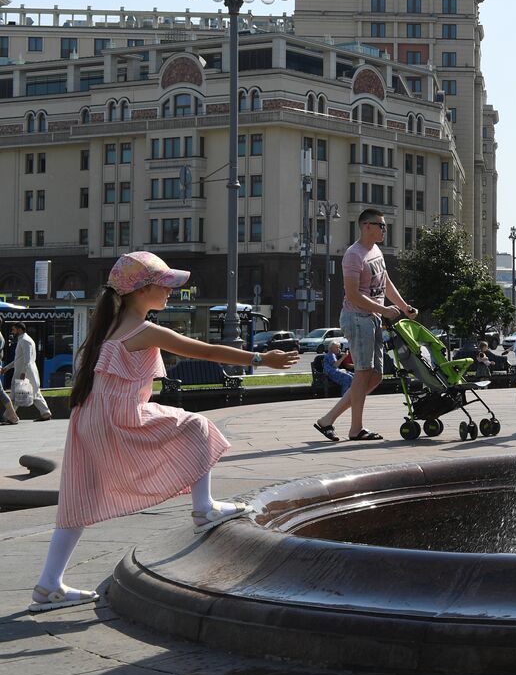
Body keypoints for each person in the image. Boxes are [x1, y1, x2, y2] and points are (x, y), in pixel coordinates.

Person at [29, 251, 297, 613]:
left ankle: (49, 584)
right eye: (165, 285)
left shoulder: (105, 325)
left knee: (79, 499)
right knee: (197, 426)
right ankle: (203, 508)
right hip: (121, 415)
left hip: (89, 417)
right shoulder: (145, 330)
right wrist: (261, 359)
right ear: (141, 290)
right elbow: (204, 351)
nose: (171, 291)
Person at [313, 208, 417, 442]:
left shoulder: (375, 251)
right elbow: (352, 295)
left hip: (373, 319)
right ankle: (355, 429)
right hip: (358, 319)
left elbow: (385, 283)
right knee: (362, 374)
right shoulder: (354, 255)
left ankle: (328, 420)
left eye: (385, 226)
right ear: (366, 226)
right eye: (381, 225)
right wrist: (384, 311)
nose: (384, 230)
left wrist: (403, 307)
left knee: (376, 376)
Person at [2, 321, 53, 421]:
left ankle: (9, 417)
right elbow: (18, 359)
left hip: (25, 373)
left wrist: (23, 373)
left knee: (17, 394)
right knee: (33, 393)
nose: (12, 331)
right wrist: (6, 368)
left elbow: (27, 359)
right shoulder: (23, 340)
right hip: (24, 372)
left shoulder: (25, 340)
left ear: (19, 330)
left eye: (13, 329)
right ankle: (46, 413)